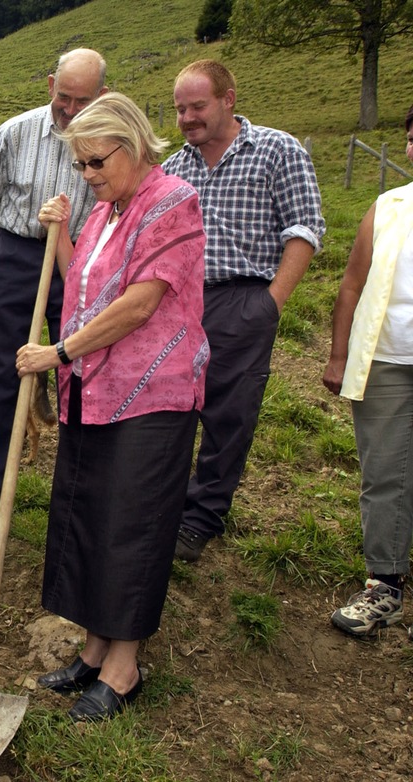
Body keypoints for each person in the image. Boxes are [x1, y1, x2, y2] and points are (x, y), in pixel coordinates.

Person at [19, 92, 207, 721]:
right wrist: (61, 232)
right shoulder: (103, 212)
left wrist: (60, 353)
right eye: (80, 166)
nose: (89, 175)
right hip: (93, 391)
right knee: (90, 514)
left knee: (133, 523)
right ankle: (96, 648)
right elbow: (85, 289)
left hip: (151, 393)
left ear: (129, 146)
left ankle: (124, 667)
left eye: (96, 162)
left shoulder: (171, 201)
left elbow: (140, 303)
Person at [163, 59, 326, 562]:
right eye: (179, 109)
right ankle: (165, 505)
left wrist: (270, 304)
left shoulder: (278, 149)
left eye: (198, 106)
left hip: (243, 297)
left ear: (229, 99)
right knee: (172, 404)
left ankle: (203, 515)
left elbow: (304, 228)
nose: (187, 118)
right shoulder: (174, 167)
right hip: (178, 301)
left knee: (229, 412)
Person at [0, 48, 108, 528]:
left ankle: (83, 495)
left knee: (83, 371)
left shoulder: (114, 138)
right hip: (17, 255)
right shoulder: (13, 134)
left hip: (85, 261)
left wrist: (73, 257)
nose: (72, 110)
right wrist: (24, 246)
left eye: (84, 100)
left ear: (103, 94)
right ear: (49, 86)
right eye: (64, 98)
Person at [322, 104, 413, 638]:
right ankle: (385, 585)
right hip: (389, 362)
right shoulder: (388, 207)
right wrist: (339, 355)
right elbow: (352, 285)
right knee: (386, 475)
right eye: (409, 137)